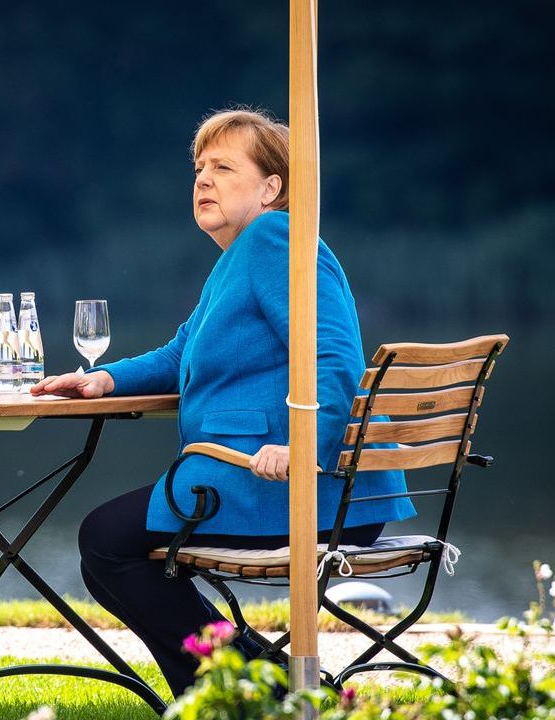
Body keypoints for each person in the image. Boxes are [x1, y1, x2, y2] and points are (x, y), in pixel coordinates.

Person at [30, 108, 415, 697]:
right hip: (275, 480)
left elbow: (334, 355)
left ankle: (244, 693)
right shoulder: (239, 257)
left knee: (107, 542)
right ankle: (256, 689)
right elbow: (179, 350)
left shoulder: (273, 236)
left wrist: (302, 441)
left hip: (294, 482)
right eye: (199, 167)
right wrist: (103, 379)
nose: (202, 179)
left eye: (223, 167)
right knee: (108, 546)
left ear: (270, 189)